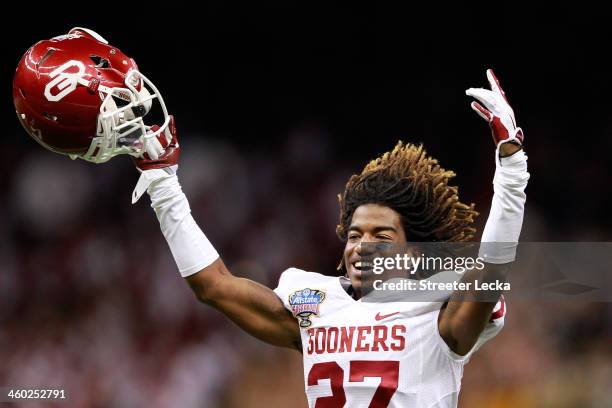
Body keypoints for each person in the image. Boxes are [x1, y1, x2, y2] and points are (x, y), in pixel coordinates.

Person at [14, 28, 529, 407]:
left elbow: (490, 270)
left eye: (380, 234)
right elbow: (213, 286)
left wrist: (511, 173)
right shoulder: (314, 300)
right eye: (354, 233)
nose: (361, 245)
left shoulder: (435, 310)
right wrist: (164, 181)